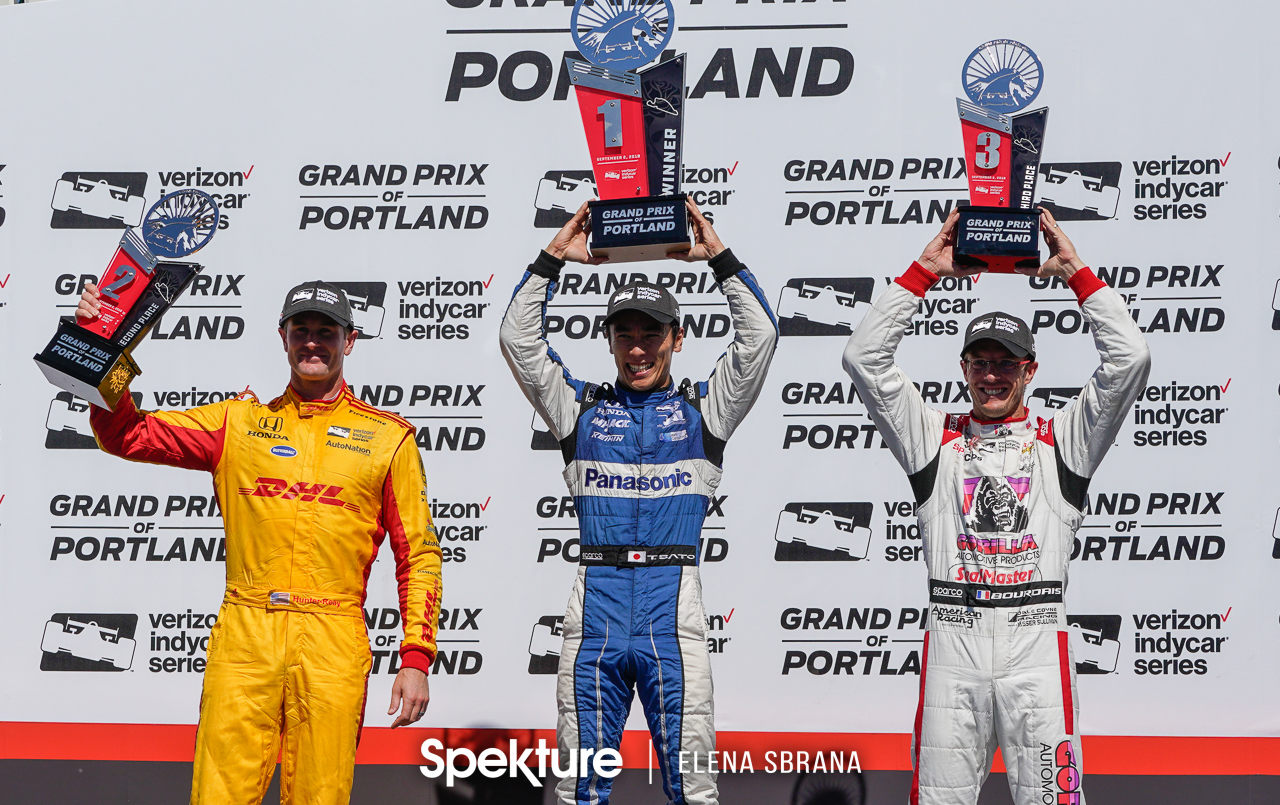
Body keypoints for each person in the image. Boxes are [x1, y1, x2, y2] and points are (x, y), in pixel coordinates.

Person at [77, 280, 443, 805]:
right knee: (218, 796)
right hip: (246, 634)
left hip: (333, 638)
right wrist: (107, 342)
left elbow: (419, 557)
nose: (312, 342)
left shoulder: (389, 438)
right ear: (283, 337)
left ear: (350, 341)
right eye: (301, 331)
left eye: (326, 331)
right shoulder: (238, 423)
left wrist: (415, 658)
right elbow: (127, 435)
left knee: (321, 796)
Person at [842, 209, 1150, 805]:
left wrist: (1076, 275)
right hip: (954, 644)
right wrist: (924, 273)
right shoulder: (933, 436)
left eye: (1006, 362)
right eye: (980, 362)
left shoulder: (1063, 440)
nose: (992, 374)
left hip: (1037, 646)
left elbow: (1130, 359)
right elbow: (864, 358)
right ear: (962, 369)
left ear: (1030, 370)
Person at [500, 199, 777, 805]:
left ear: (677, 338)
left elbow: (760, 338)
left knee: (692, 788)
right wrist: (553, 259)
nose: (637, 348)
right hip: (595, 612)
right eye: (624, 334)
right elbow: (517, 341)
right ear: (608, 342)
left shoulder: (707, 410)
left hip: (672, 611)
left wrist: (719, 259)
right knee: (581, 786)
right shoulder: (582, 410)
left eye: (651, 333)